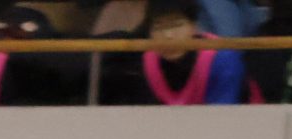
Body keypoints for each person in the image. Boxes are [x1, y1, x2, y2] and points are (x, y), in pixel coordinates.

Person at [104, 0, 252, 104]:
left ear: (194, 26)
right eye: (159, 27)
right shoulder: (147, 63)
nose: (168, 35)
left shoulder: (223, 59)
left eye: (177, 25)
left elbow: (224, 117)